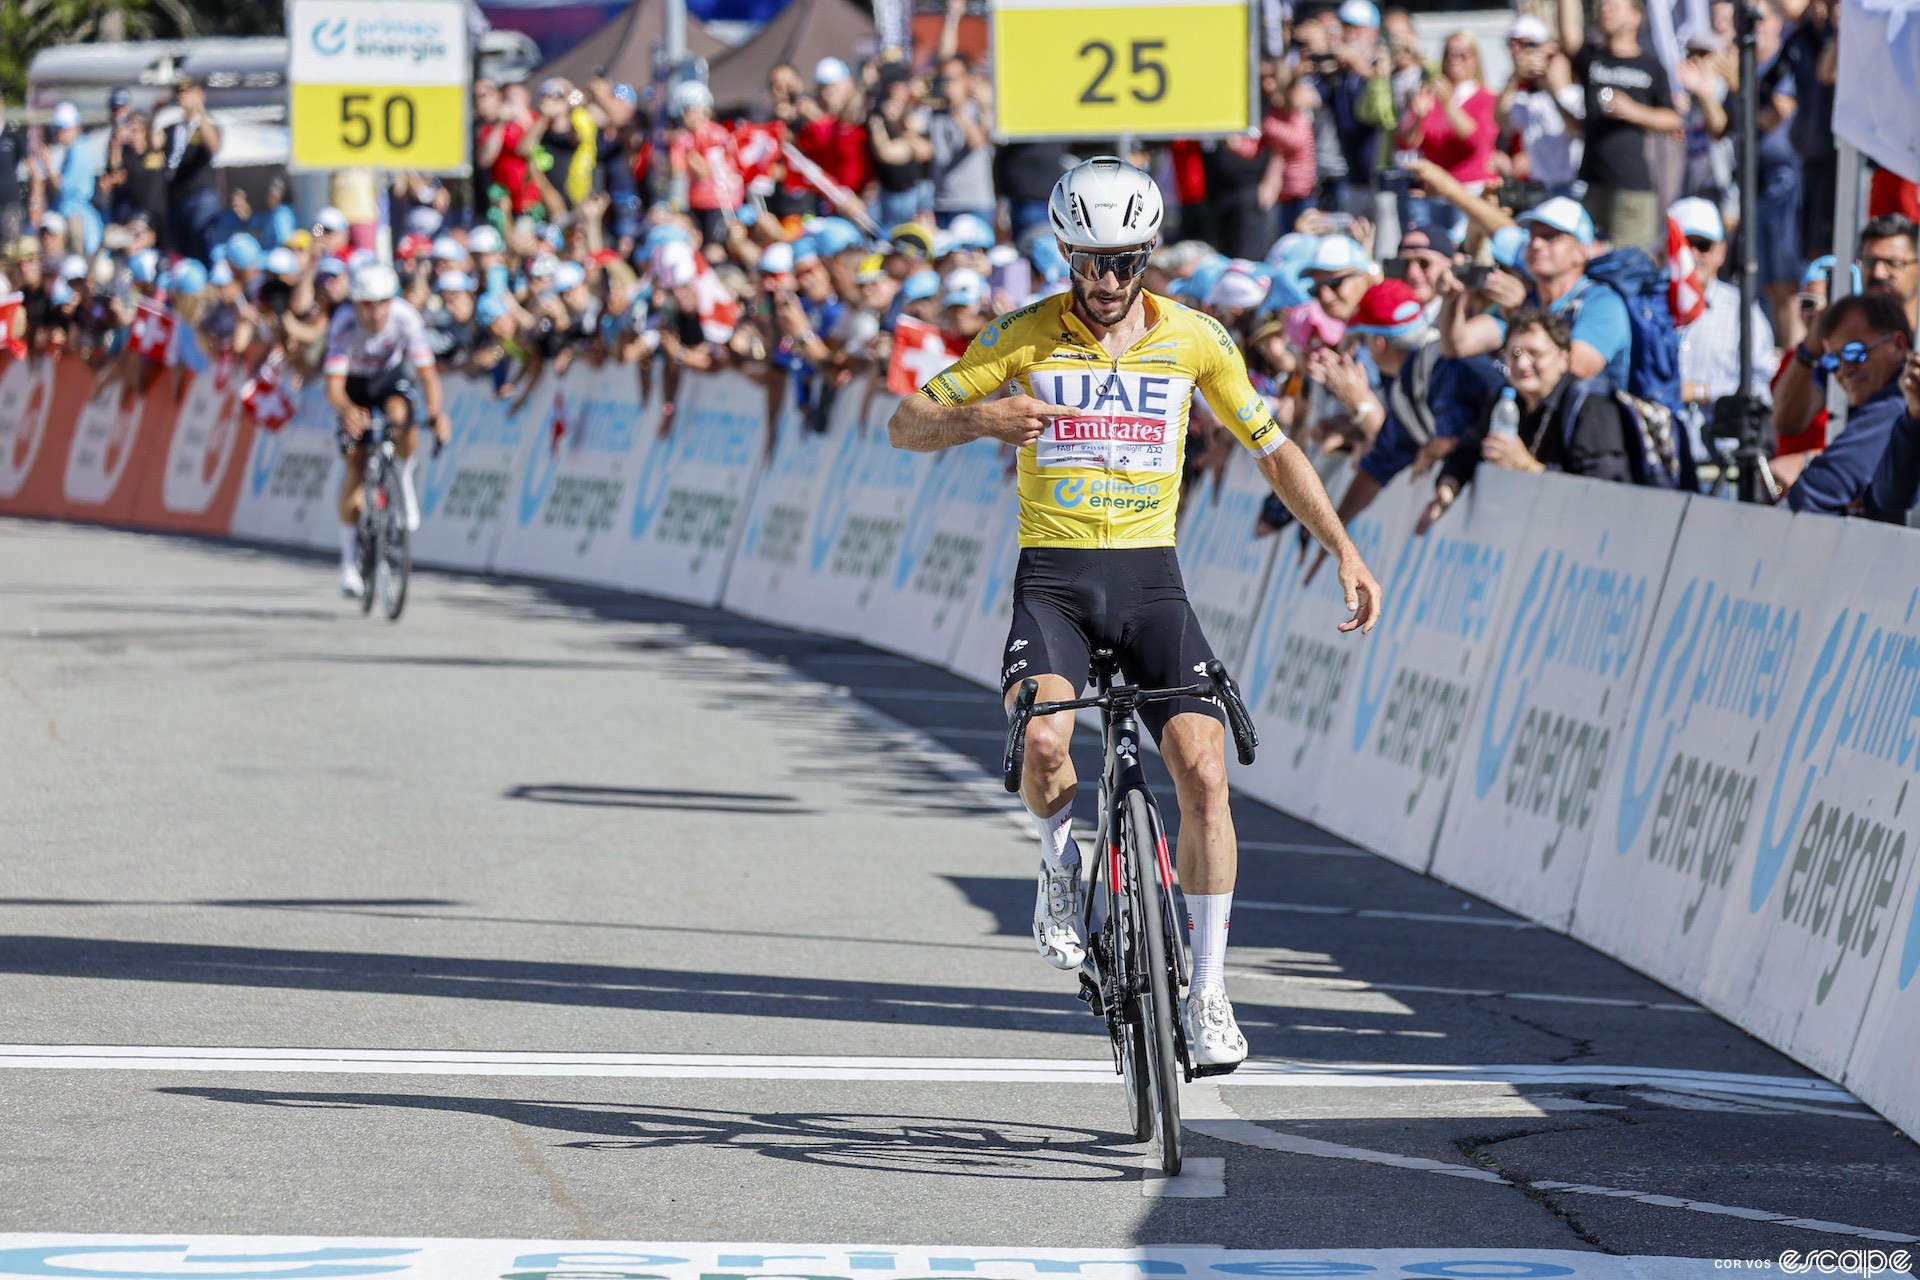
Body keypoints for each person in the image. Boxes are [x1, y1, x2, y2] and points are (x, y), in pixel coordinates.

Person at [885, 156, 1382, 1072]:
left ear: (1149, 253)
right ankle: (1057, 865)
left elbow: (1272, 451)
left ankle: (1210, 992)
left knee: (1205, 773)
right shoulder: (1024, 335)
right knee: (1042, 744)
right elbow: (905, 422)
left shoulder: (1196, 339)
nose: (1106, 281)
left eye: (1123, 261)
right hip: (1057, 582)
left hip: (1153, 581)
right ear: (1065, 252)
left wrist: (1342, 546)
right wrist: (986, 419)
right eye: (1086, 260)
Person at [1421, 306, 1635, 529]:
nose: (1522, 364)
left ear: (1563, 358)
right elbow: (1468, 449)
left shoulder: (1590, 406)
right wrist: (1447, 489)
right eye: (1514, 353)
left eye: (1535, 353)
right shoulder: (1506, 401)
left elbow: (1605, 492)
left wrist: (1527, 467)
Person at [324, 261, 451, 598]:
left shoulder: (406, 318)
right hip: (354, 385)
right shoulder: (343, 323)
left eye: (382, 303)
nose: (376, 312)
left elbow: (427, 374)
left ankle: (404, 477)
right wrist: (348, 411)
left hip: (389, 380)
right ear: (355, 304)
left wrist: (436, 412)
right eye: (367, 304)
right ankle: (349, 562)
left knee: (404, 415)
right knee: (354, 465)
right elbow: (333, 387)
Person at [1437, 197, 1631, 389]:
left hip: (1587, 417)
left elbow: (1571, 373)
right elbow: (1455, 347)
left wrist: (1518, 316)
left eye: (1550, 236)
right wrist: (1452, 298)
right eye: (1532, 236)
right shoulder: (1530, 299)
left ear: (1581, 251)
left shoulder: (1602, 304)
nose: (1536, 244)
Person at [1555, 0, 1682, 252]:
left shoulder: (1651, 66)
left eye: (1613, 7)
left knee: (1629, 264)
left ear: (1635, 17)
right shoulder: (1593, 57)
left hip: (1633, 187)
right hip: (1593, 181)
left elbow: (1673, 118)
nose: (1605, 10)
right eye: (1602, 7)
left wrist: (1634, 111)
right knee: (1582, 259)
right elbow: (1568, 33)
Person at [1782, 292, 1913, 515]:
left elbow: (1811, 494)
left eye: (1855, 353)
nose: (1844, 370)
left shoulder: (1896, 402)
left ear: (1899, 344)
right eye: (1832, 361)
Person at [1668, 197, 1773, 460]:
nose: (1692, 254)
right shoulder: (1647, 307)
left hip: (1718, 464)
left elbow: (1762, 387)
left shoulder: (1742, 313)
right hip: (1658, 460)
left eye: (1703, 245)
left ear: (1721, 252)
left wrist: (1703, 391)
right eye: (1683, 244)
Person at [162, 74, 223, 263]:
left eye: (187, 92)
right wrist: (156, 110)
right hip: (178, 196)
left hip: (201, 195)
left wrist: (198, 108)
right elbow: (153, 143)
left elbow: (214, 145)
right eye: (180, 92)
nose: (183, 96)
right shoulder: (174, 128)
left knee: (203, 244)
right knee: (184, 251)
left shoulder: (207, 124)